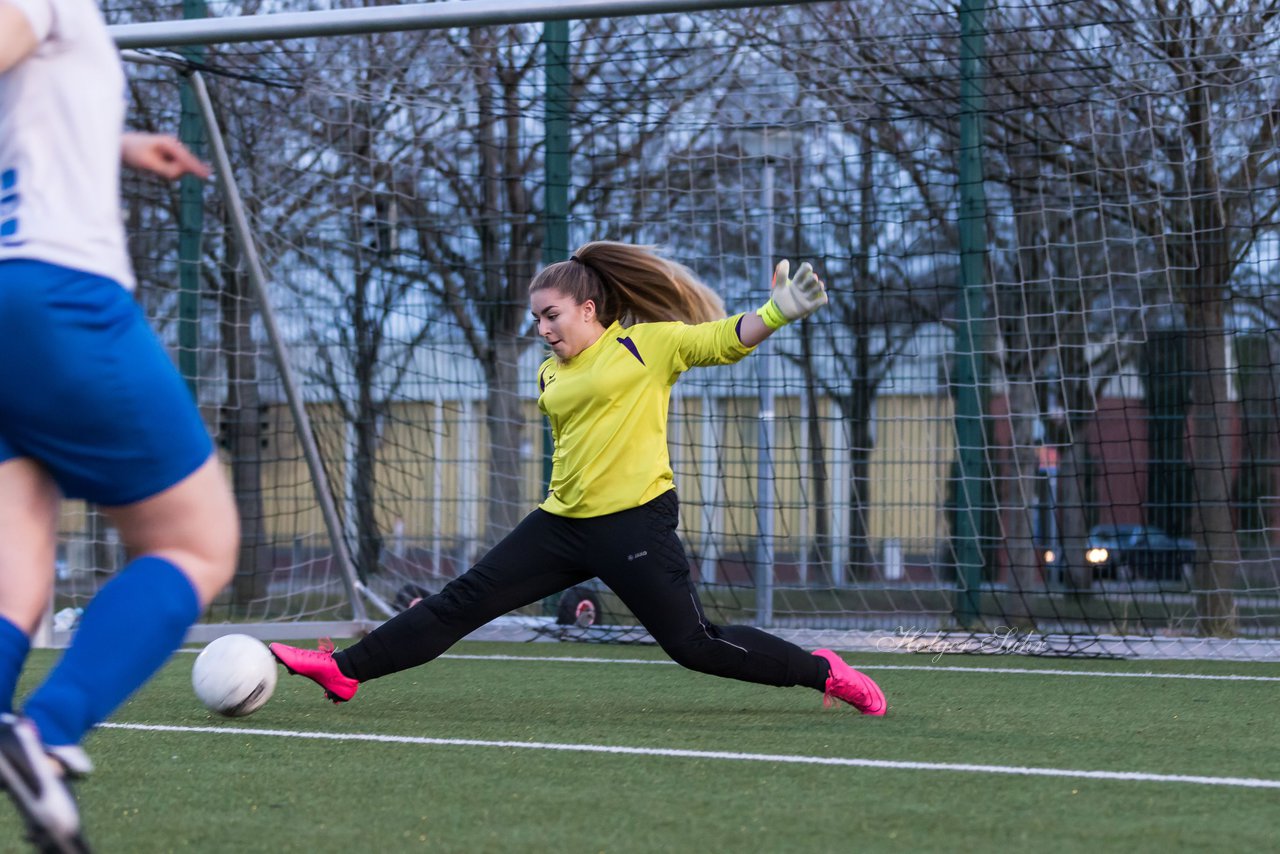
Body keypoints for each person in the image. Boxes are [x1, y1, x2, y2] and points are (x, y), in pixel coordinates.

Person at [272, 241, 886, 718]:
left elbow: (724, 340)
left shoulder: (648, 346)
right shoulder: (547, 375)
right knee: (459, 601)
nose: (543, 329)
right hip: (561, 524)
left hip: (634, 522)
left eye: (552, 315)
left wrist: (779, 311)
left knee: (695, 645)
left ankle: (822, 671)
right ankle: (344, 669)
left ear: (588, 309)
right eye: (536, 319)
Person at [0, 1, 239, 849]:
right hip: (52, 295)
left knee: (16, 561)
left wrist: (118, 147)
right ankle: (47, 730)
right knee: (197, 542)